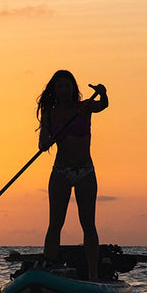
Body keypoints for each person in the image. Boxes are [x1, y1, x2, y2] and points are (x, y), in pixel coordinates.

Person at [37, 71, 109, 280]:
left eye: (67, 86)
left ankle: (93, 275)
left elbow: (103, 105)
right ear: (54, 90)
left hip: (85, 171)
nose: (63, 90)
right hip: (60, 172)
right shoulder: (49, 113)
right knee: (55, 224)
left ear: (73, 88)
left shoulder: (84, 107)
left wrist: (102, 93)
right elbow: (43, 141)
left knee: (88, 224)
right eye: (59, 87)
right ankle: (48, 268)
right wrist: (44, 144)